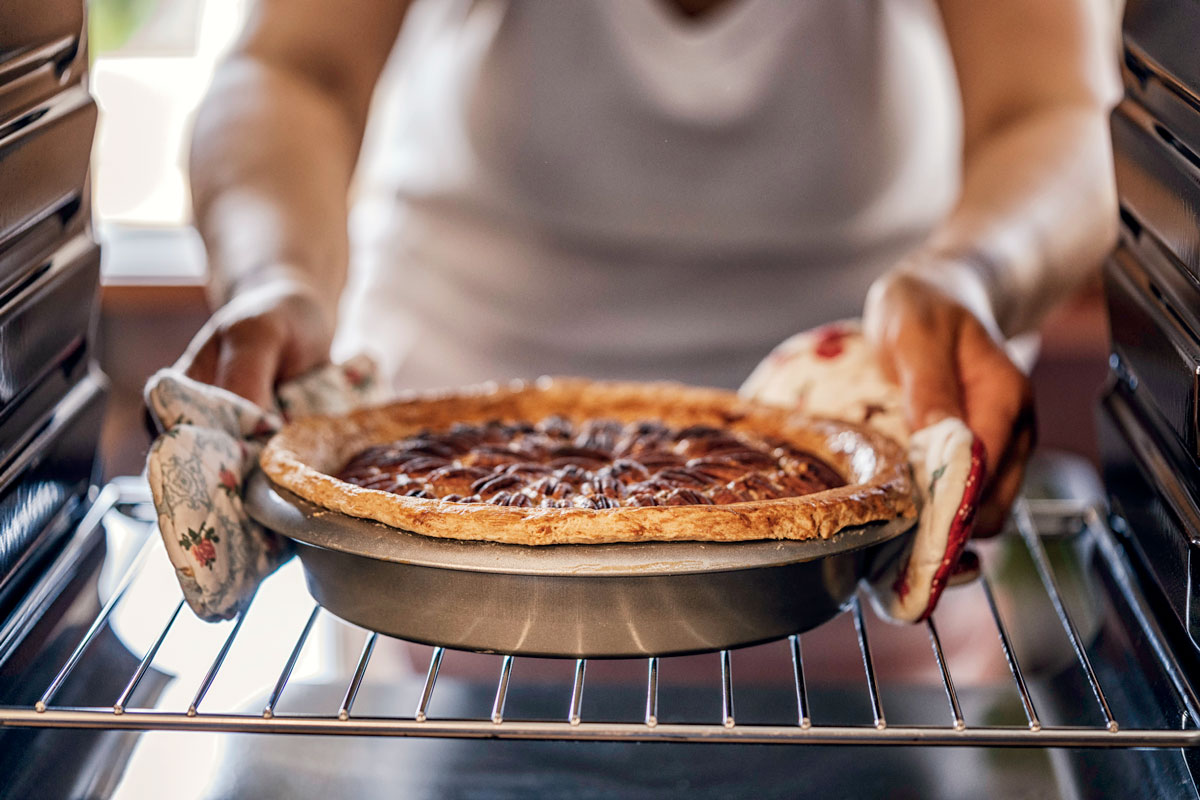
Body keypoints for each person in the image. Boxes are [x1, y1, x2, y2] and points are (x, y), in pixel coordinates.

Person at [177, 0, 1119, 538]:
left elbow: (1050, 114)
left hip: (862, 502)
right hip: (431, 498)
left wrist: (967, 275)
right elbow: (293, 71)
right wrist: (278, 276)